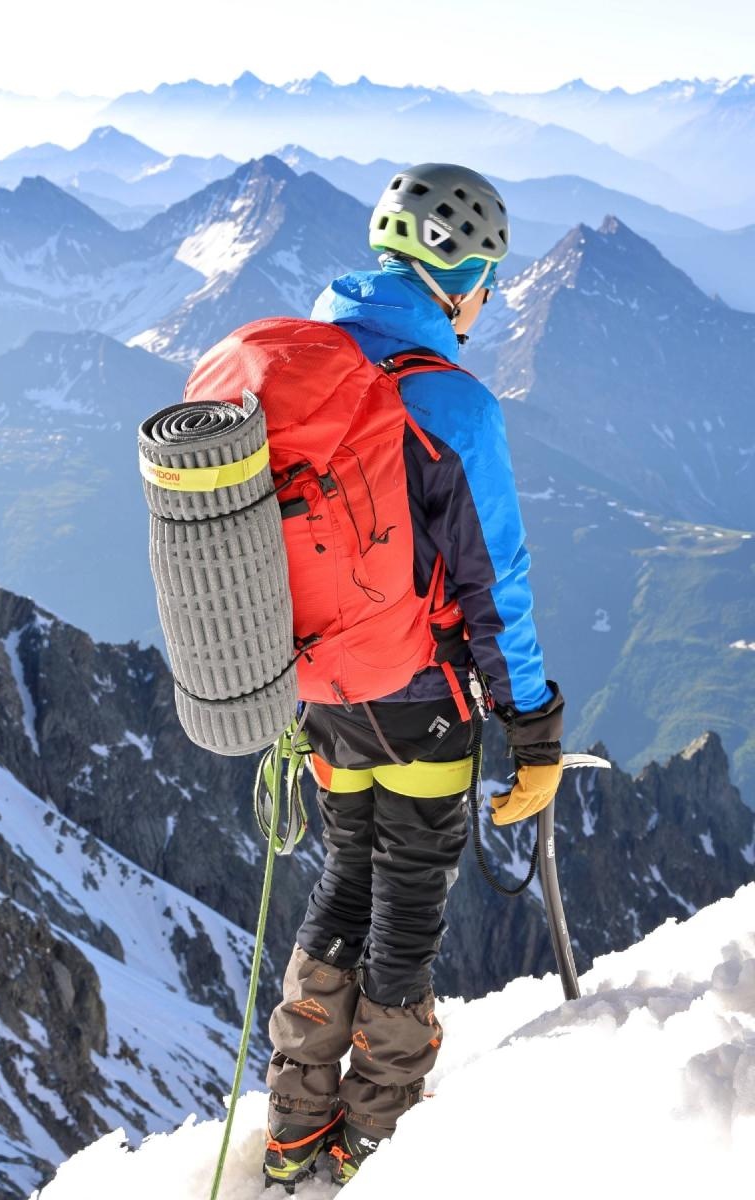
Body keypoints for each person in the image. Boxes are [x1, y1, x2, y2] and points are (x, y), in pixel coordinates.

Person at [263, 163, 564, 1189]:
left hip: (320, 700)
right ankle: (376, 1135)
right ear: (461, 271)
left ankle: (295, 1117)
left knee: (342, 883)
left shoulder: (300, 375)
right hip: (421, 702)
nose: (488, 298)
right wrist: (531, 726)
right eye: (489, 277)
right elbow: (495, 585)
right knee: (405, 908)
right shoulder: (448, 403)